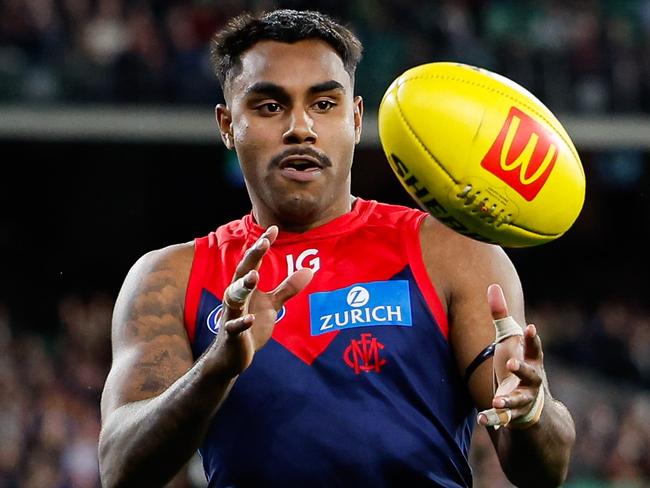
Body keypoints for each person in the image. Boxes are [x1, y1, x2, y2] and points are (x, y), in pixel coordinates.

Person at [98, 9, 575, 487]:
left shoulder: (451, 253)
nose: (300, 128)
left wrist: (533, 410)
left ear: (356, 117)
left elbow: (542, 472)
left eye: (324, 104)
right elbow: (121, 468)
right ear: (227, 125)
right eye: (269, 106)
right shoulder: (170, 277)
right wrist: (215, 370)